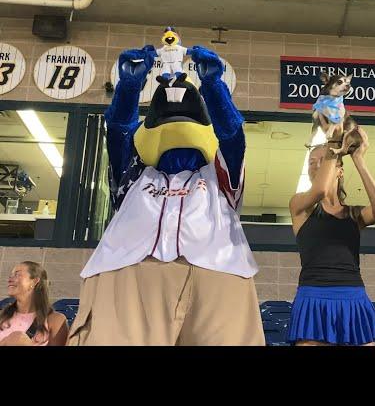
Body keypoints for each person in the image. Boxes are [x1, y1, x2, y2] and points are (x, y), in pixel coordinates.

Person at [67, 46, 263, 345]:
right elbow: (119, 130)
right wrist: (129, 87)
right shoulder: (135, 175)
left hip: (216, 270)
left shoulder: (218, 177)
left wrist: (213, 86)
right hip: (128, 272)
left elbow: (232, 136)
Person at [288, 126, 375, 346]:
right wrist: (334, 144)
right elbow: (321, 191)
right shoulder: (299, 206)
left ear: (339, 170)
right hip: (313, 296)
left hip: (353, 295)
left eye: (322, 160)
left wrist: (358, 158)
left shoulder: (353, 214)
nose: (315, 165)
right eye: (311, 162)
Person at [0, 261, 68, 346]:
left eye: (17, 275)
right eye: (11, 275)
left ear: (34, 281)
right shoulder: (2, 316)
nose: (10, 279)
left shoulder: (55, 320)